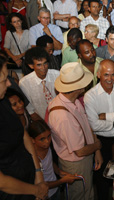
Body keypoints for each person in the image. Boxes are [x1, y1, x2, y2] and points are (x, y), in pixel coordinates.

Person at [48, 62, 103, 200]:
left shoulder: (74, 101)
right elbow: (80, 151)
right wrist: (98, 146)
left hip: (85, 158)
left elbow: (86, 124)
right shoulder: (62, 116)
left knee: (87, 192)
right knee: (79, 195)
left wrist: (96, 151)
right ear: (78, 88)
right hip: (76, 164)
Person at [84, 59, 114, 200]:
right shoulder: (90, 96)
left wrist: (106, 116)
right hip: (102, 143)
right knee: (102, 180)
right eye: (106, 75)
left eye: (113, 75)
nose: (110, 79)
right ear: (98, 74)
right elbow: (94, 126)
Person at [0, 55, 47, 199]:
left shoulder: (4, 103)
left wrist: (38, 172)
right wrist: (35, 191)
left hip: (30, 178)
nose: (9, 84)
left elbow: (23, 134)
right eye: (3, 80)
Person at [28, 120, 80, 200]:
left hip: (55, 190)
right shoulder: (32, 158)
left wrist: (59, 172)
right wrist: (62, 181)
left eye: (49, 136)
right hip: (44, 195)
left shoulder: (47, 147)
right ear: (32, 140)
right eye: (42, 139)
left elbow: (50, 162)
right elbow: (41, 184)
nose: (47, 141)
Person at [20, 47, 60, 120]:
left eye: (45, 63)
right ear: (31, 66)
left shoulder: (57, 75)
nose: (43, 67)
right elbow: (31, 111)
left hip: (60, 117)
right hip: (40, 119)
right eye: (39, 65)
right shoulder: (24, 83)